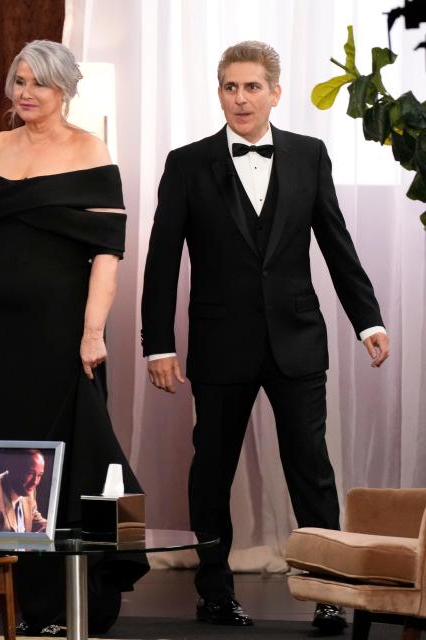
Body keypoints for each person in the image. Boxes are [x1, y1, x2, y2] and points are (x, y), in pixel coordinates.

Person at [141, 41, 390, 632]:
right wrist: (158, 343)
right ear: (219, 92)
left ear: (275, 93)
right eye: (230, 86)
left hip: (297, 340)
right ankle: (214, 592)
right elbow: (160, 262)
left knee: (312, 468)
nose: (240, 98)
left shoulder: (309, 155)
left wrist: (368, 319)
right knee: (212, 471)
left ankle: (331, 591)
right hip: (220, 344)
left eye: (252, 87)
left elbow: (336, 242)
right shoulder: (186, 163)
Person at [0, 40, 146, 636]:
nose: (26, 93)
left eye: (40, 84)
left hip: (66, 337)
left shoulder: (90, 151)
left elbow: (108, 254)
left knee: (91, 457)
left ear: (65, 90)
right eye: (20, 81)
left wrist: (92, 333)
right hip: (6, 338)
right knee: (19, 466)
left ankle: (100, 593)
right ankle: (36, 611)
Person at [0, 450, 48, 533]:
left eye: (39, 475)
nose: (35, 482)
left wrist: (51, 529)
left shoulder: (29, 489)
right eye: (30, 473)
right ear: (14, 468)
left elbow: (34, 518)